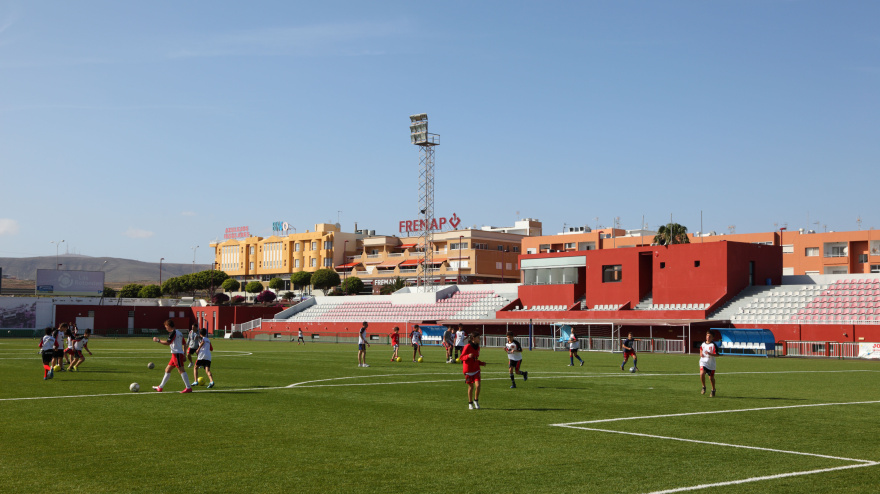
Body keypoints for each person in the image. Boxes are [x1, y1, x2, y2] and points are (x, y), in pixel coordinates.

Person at [152, 319, 193, 393]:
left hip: (177, 354)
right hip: (176, 354)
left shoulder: (173, 332)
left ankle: (188, 387)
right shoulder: (179, 333)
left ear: (168, 325)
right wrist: (184, 354)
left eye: (166, 327)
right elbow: (184, 343)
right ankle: (160, 387)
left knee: (181, 370)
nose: (166, 328)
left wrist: (158, 340)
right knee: (167, 370)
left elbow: (168, 343)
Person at [460, 332, 486, 409]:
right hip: (468, 370)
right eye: (478, 338)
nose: (479, 339)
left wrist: (481, 363)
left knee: (478, 386)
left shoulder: (478, 347)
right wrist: (468, 356)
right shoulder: (467, 346)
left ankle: (476, 400)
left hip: (476, 369)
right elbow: (461, 357)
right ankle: (470, 403)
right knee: (471, 387)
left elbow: (475, 359)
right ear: (473, 338)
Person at [700, 331, 719, 397]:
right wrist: (701, 354)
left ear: (712, 337)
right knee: (702, 373)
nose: (708, 337)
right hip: (703, 362)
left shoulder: (713, 345)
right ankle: (703, 387)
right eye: (707, 336)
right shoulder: (703, 344)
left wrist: (710, 354)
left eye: (710, 336)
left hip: (711, 364)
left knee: (711, 378)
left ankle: (713, 389)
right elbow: (701, 349)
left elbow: (717, 354)